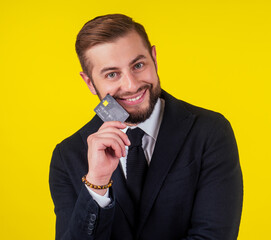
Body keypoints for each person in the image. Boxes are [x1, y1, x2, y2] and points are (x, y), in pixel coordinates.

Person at [49, 13, 243, 240]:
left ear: (154, 58)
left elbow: (213, 236)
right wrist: (97, 183)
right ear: (90, 83)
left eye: (138, 65)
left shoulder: (210, 132)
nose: (131, 85)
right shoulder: (67, 156)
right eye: (112, 74)